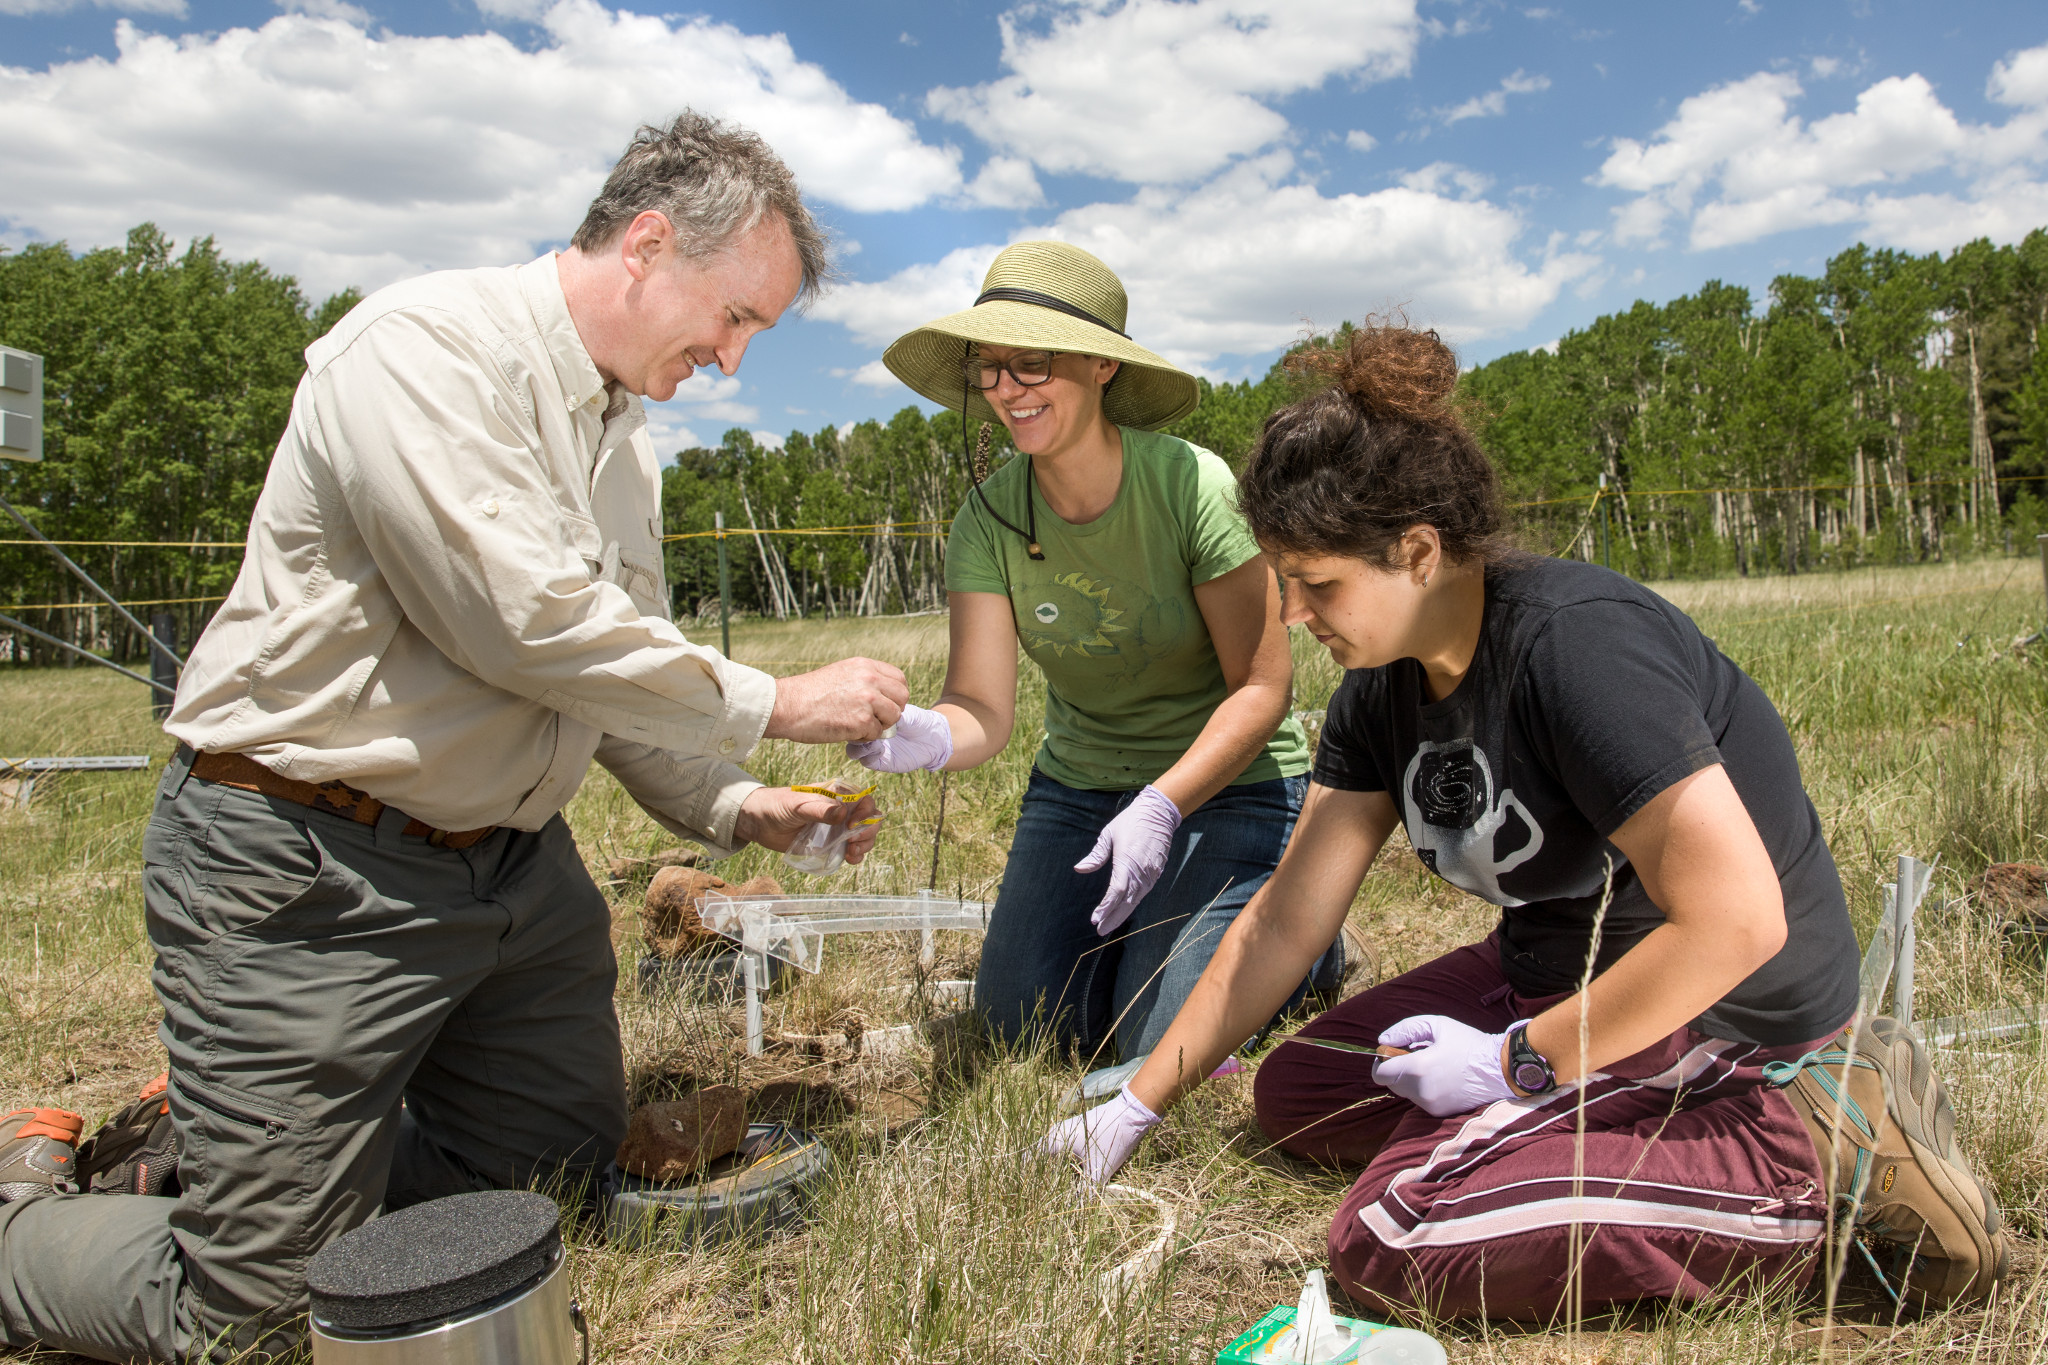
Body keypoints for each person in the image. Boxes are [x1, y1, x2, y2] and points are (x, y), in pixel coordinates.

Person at [0, 112, 906, 1363]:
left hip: (511, 884)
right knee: (267, 1322)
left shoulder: (619, 440)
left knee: (541, 1203)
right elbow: (522, 627)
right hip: (308, 865)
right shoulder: (422, 351)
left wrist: (743, 805)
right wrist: (776, 699)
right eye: (736, 316)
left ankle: (221, 1148)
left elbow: (612, 676)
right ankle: (28, 1225)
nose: (735, 360)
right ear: (647, 242)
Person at [1042, 321, 2011, 1319]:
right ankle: (1545, 1139)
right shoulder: (1377, 693)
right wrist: (1137, 1102)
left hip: (1728, 1026)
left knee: (1391, 1233)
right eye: (1281, 580)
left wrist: (1514, 1066)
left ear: (1416, 552)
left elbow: (1736, 923)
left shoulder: (1576, 651)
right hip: (1553, 980)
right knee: (1301, 1091)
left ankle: (1821, 1173)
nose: (1290, 612)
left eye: (1316, 582)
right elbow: (1286, 921)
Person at [849, 241, 1347, 1061]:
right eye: (990, 368)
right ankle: (1160, 933)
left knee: (1156, 1042)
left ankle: (1307, 940)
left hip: (1227, 787)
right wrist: (930, 734)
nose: (1008, 390)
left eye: (1032, 364)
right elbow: (982, 706)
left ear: (1100, 367)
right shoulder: (988, 521)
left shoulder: (1192, 486)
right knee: (1021, 1031)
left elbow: (1262, 688)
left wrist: (1162, 804)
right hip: (1077, 789)